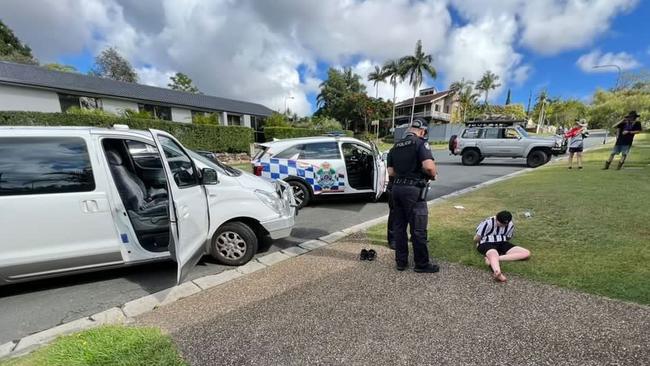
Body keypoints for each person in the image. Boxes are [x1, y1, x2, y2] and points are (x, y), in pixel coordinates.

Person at [386, 118, 439, 273]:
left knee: (399, 227)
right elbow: (429, 167)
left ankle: (401, 262)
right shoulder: (420, 144)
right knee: (418, 228)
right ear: (422, 131)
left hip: (396, 189)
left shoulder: (394, 147)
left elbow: (391, 172)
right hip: (414, 190)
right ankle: (421, 264)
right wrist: (433, 175)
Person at [474, 211, 531, 282]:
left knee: (526, 253)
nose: (503, 226)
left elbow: (508, 237)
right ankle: (497, 272)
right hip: (486, 242)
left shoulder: (510, 224)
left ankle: (493, 259)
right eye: (501, 224)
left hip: (502, 242)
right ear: (496, 219)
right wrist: (478, 244)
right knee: (493, 253)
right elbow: (476, 238)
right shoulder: (487, 223)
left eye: (505, 224)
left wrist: (501, 241)